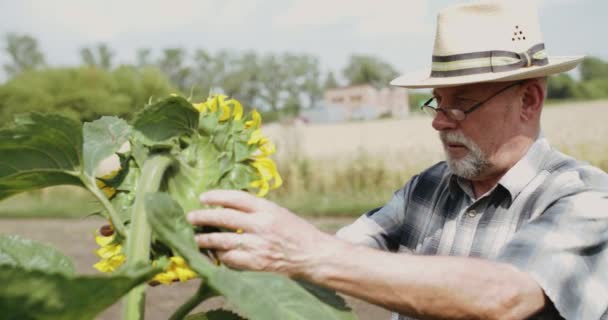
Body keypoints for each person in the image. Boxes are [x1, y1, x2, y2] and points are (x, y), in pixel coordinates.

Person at [186, 1, 608, 319]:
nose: (439, 123)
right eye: (436, 102)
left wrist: (308, 252)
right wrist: (188, 232)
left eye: (460, 105)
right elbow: (342, 249)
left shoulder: (585, 200)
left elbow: (505, 295)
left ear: (529, 100)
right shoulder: (426, 189)